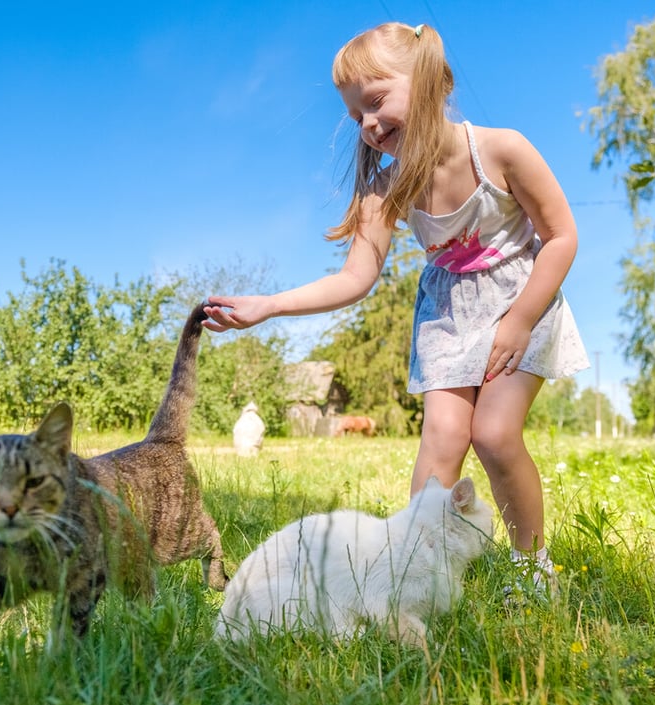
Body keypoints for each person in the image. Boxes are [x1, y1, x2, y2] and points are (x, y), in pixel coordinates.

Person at [202, 21, 589, 596]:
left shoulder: (502, 149)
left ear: (428, 79)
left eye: (376, 101)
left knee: (495, 433)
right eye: (357, 114)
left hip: (520, 302)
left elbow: (561, 236)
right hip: (448, 316)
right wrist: (270, 305)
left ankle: (531, 568)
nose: (368, 124)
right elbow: (355, 278)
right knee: (442, 439)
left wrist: (520, 320)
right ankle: (413, 570)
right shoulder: (385, 190)